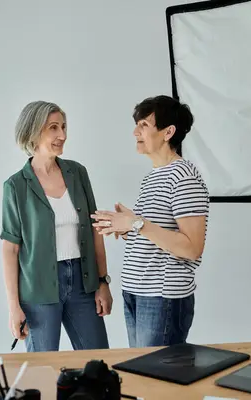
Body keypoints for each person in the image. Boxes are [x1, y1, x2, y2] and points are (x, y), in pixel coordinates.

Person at [91, 95, 209, 348]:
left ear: (168, 132)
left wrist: (136, 224)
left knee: (155, 379)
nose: (135, 132)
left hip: (162, 297)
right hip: (137, 292)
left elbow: (191, 247)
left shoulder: (184, 177)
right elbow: (156, 233)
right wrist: (125, 226)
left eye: (144, 125)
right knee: (141, 373)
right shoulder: (153, 177)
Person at [0, 100, 111, 352]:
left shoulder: (78, 173)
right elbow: (10, 249)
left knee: (98, 364)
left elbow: (95, 229)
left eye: (63, 127)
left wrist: (103, 282)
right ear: (33, 131)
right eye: (53, 128)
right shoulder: (15, 186)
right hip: (38, 290)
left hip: (84, 283)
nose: (62, 135)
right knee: (43, 372)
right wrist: (13, 306)